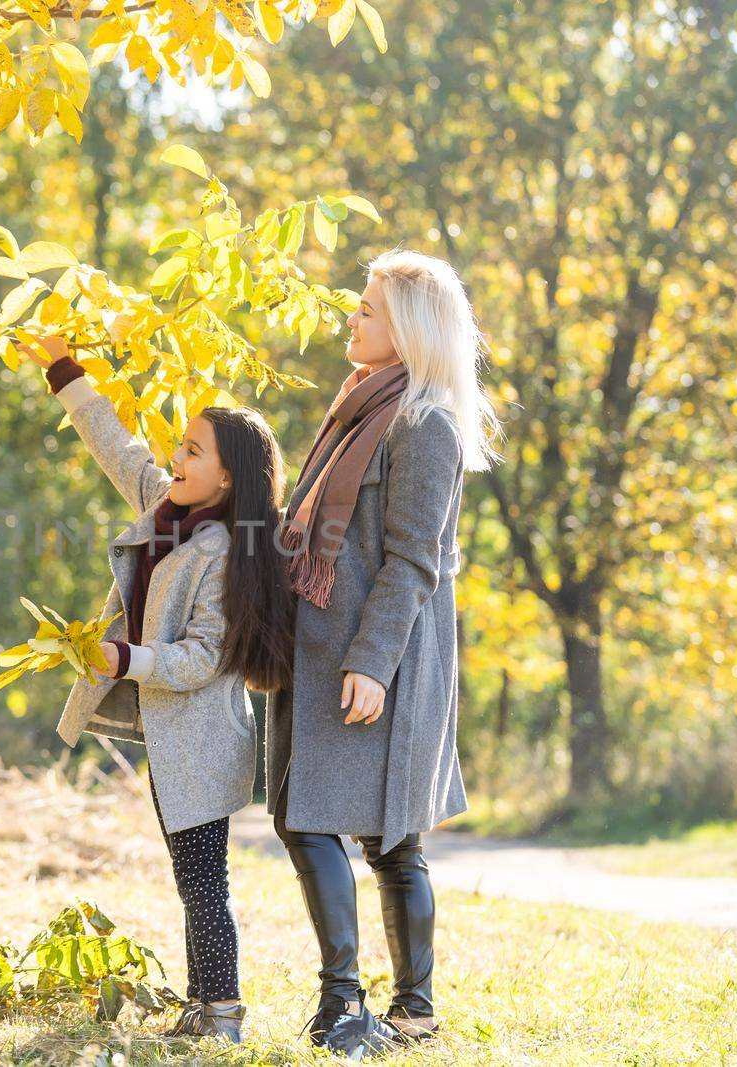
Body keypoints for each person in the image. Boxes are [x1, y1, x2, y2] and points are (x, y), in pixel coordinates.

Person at [21, 333, 295, 1044]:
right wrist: (63, 373)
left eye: (194, 451)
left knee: (204, 879)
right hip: (173, 736)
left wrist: (127, 658)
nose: (176, 458)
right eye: (180, 446)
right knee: (191, 874)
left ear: (229, 478)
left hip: (202, 737)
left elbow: (202, 658)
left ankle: (224, 1011)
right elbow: (117, 446)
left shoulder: (225, 552)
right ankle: (204, 1006)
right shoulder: (164, 510)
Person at [267, 250, 501, 1057]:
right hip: (318, 645)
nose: (352, 318)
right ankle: (361, 1007)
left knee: (390, 836)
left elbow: (413, 558)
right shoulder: (356, 410)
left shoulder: (424, 422)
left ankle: (391, 1012)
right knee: (304, 815)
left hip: (379, 656)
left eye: (367, 309)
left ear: (407, 329)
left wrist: (372, 660)